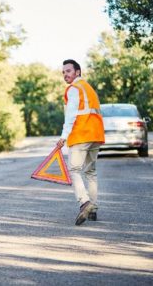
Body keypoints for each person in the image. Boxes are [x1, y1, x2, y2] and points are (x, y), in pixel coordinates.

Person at [56, 59, 105, 226]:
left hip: (81, 134)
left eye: (68, 71)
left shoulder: (73, 89)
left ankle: (84, 203)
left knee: (74, 170)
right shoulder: (89, 88)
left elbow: (70, 115)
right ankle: (94, 208)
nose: (65, 75)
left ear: (77, 72)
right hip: (95, 135)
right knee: (90, 171)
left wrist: (63, 136)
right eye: (63, 72)